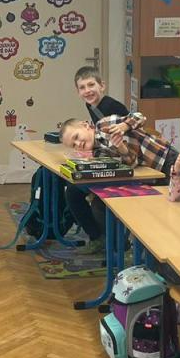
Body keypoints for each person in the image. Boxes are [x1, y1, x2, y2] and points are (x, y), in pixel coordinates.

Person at [65, 67, 130, 250]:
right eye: (82, 87)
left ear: (102, 86)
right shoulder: (91, 105)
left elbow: (123, 139)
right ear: (78, 92)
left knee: (98, 201)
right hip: (111, 158)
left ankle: (121, 246)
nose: (87, 91)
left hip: (127, 161)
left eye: (91, 85)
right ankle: (97, 237)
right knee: (72, 191)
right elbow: (102, 138)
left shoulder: (110, 107)